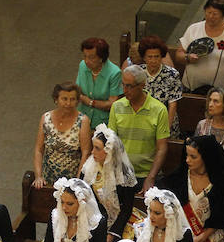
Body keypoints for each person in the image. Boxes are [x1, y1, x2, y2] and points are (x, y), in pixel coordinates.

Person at [157, 135, 224, 242]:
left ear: (205, 157)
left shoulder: (221, 182)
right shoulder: (177, 179)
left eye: (193, 157)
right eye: (187, 155)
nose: (187, 160)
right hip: (181, 239)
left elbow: (223, 216)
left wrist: (201, 238)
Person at [107, 65, 170, 194]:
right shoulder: (117, 107)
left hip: (146, 174)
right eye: (123, 85)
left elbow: (162, 148)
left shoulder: (159, 110)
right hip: (121, 173)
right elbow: (110, 142)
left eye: (129, 86)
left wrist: (151, 177)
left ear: (142, 85)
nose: (125, 90)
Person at [81, 123, 139, 242]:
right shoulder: (89, 167)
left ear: (109, 151)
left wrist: (112, 234)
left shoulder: (123, 174)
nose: (92, 152)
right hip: (95, 220)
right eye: (93, 147)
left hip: (120, 222)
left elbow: (126, 209)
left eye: (97, 148)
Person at [175, 0, 224, 93]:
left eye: (215, 14)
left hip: (220, 92)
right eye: (208, 12)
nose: (211, 16)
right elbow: (178, 55)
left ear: (223, 15)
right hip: (190, 87)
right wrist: (187, 57)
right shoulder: (194, 29)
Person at [32, 82, 90, 188]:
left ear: (77, 101)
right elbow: (38, 150)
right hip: (48, 180)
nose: (68, 103)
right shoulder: (46, 118)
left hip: (72, 181)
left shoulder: (83, 121)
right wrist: (38, 176)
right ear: (56, 99)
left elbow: (85, 153)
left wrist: (77, 182)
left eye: (72, 99)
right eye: (64, 99)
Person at [136, 35, 183, 138]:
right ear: (144, 57)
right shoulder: (137, 73)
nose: (153, 60)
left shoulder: (172, 75)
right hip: (142, 123)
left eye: (156, 56)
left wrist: (165, 130)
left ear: (162, 56)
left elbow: (172, 105)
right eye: (150, 57)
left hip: (165, 123)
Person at [75, 37, 123, 129]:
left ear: (101, 58)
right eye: (85, 56)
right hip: (82, 119)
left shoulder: (114, 73)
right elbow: (77, 90)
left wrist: (90, 102)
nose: (86, 61)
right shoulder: (82, 65)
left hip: (103, 124)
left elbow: (112, 104)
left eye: (91, 57)